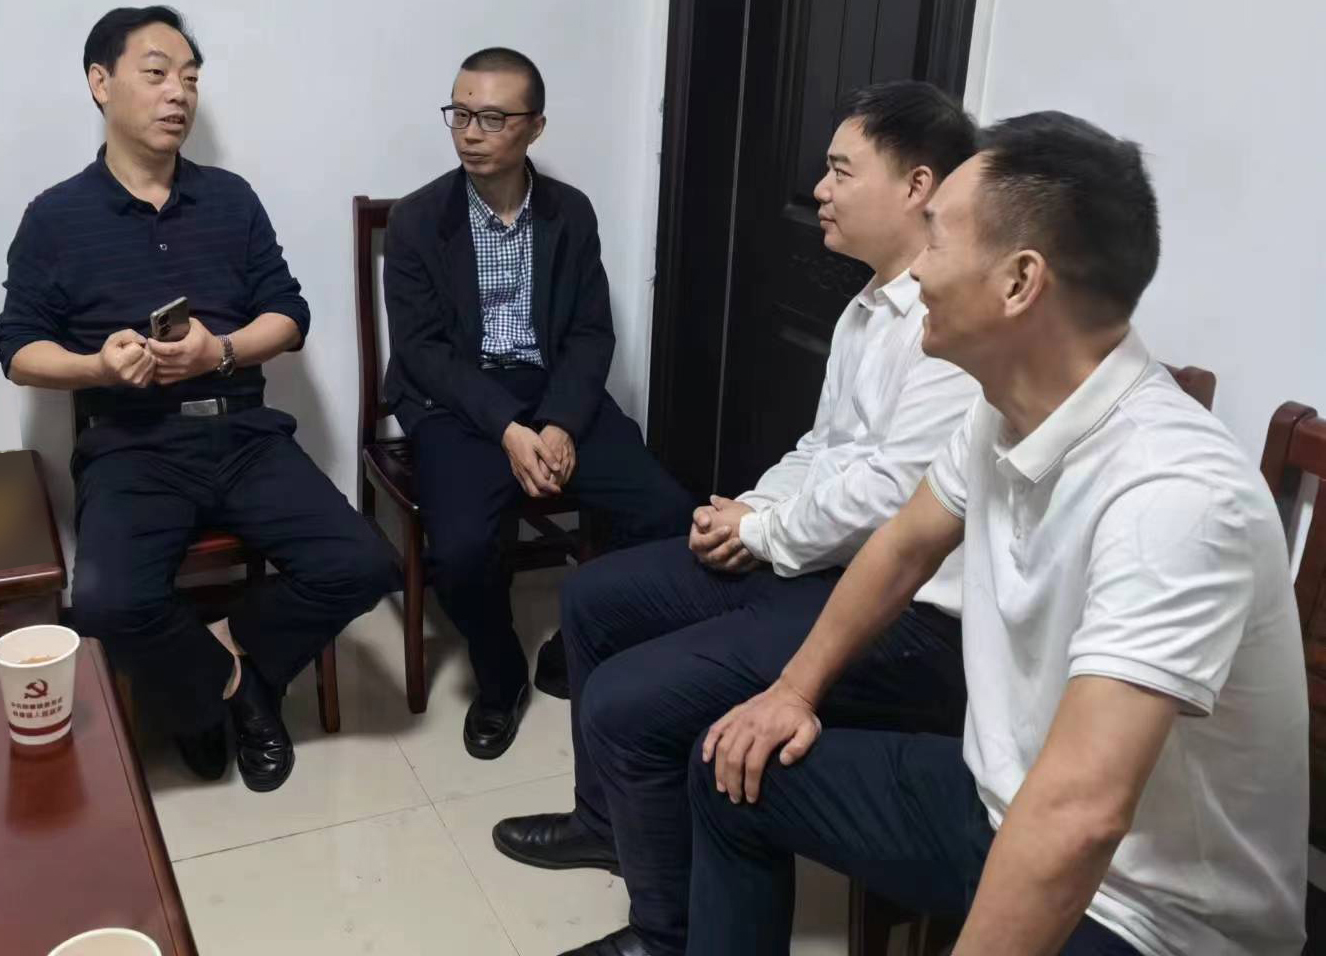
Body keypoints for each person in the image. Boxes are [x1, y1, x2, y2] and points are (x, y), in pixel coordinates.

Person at [688, 113, 1308, 956]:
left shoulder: (1177, 495)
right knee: (730, 768)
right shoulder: (1002, 412)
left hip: (1148, 915)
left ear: (1019, 282)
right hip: (997, 803)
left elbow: (1081, 817)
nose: (917, 268)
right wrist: (791, 692)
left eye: (937, 238)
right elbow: (903, 547)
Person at [494, 81, 982, 956]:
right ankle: (606, 824)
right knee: (593, 599)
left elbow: (891, 495)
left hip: (901, 610)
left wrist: (762, 534)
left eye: (840, 172)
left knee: (629, 700)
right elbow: (826, 446)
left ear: (916, 185)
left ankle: (666, 934)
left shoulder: (949, 324)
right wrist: (751, 508)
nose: (819, 190)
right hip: (825, 559)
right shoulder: (868, 306)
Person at [0, 6, 396, 793]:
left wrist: (222, 351)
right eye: (156, 74)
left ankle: (225, 668)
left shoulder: (231, 200)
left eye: (190, 78)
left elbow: (290, 315)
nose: (178, 93)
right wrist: (98, 366)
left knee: (362, 563)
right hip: (131, 446)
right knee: (105, 606)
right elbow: (18, 352)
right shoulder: (55, 217)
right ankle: (223, 692)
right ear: (100, 83)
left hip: (242, 433)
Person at [382, 47, 695, 760]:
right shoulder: (417, 220)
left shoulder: (569, 214)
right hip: (457, 401)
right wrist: (507, 429)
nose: (470, 133)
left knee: (666, 511)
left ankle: (575, 645)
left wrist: (558, 422)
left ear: (535, 127)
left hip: (554, 391)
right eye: (460, 114)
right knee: (460, 550)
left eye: (492, 118)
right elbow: (423, 352)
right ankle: (499, 679)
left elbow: (590, 332)